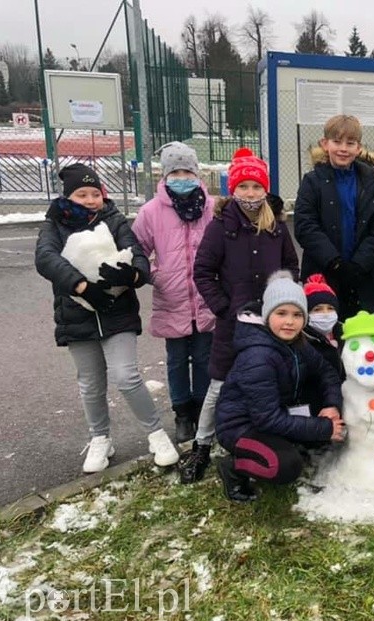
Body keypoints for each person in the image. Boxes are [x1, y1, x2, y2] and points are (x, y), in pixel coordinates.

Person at [34, 163, 180, 473]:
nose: (89, 200)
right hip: (77, 316)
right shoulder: (54, 225)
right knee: (90, 384)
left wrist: (136, 273)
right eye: (81, 194)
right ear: (68, 196)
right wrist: (82, 287)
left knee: (126, 376)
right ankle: (100, 438)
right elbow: (46, 258)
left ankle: (156, 434)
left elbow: (136, 253)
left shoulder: (114, 220)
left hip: (117, 314)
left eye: (95, 193)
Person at [183, 148, 299, 485]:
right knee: (219, 384)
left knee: (269, 380)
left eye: (256, 187)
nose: (250, 194)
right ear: (233, 189)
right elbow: (203, 271)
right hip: (232, 324)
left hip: (270, 323)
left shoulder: (276, 227)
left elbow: (291, 265)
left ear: (265, 190)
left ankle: (264, 436)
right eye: (244, 187)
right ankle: (201, 446)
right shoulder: (220, 226)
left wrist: (281, 299)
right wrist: (223, 307)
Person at [214, 273, 345, 503]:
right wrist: (322, 428)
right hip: (242, 426)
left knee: (323, 431)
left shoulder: (297, 342)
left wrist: (331, 405)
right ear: (267, 315)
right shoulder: (258, 355)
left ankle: (287, 443)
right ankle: (233, 468)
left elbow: (327, 372)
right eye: (281, 313)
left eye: (297, 315)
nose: (289, 322)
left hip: (277, 414)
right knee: (285, 467)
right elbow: (266, 419)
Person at [132, 141, 215, 444]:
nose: (182, 177)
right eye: (175, 172)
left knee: (205, 357)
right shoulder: (151, 212)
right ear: (165, 175)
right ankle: (183, 414)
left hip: (206, 299)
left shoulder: (211, 207)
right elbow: (136, 249)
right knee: (177, 359)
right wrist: (156, 276)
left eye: (187, 171)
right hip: (172, 298)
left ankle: (204, 411)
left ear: (197, 173)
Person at [293, 114, 374, 321]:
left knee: (359, 338)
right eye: (337, 142)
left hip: (363, 275)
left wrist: (360, 263)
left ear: (358, 148)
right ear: (325, 144)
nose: (343, 148)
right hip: (324, 273)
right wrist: (334, 262)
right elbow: (305, 225)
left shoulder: (371, 182)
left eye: (350, 143)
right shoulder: (312, 182)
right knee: (325, 335)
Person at [302, 273, 345, 413]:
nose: (325, 314)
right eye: (317, 309)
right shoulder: (302, 340)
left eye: (330, 308)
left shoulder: (344, 334)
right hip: (315, 407)